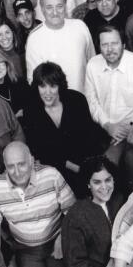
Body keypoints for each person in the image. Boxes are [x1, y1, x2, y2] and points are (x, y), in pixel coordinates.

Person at [21, 63, 107, 194]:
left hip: (84, 161)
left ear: (60, 86)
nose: (47, 92)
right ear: (36, 87)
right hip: (55, 166)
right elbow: (40, 151)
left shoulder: (77, 100)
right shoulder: (31, 109)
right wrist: (74, 168)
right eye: (42, 86)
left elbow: (89, 137)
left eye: (53, 86)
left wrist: (89, 168)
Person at [85, 26, 133, 166]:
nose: (110, 49)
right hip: (103, 127)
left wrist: (127, 127)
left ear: (124, 44)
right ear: (99, 47)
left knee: (110, 163)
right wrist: (108, 125)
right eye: (105, 45)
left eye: (114, 43)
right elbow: (91, 100)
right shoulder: (92, 65)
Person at [25, 0, 95, 91]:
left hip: (84, 99)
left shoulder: (80, 27)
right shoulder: (34, 38)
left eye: (59, 6)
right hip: (54, 103)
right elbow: (34, 80)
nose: (55, 12)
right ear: (42, 9)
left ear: (65, 6)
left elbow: (92, 63)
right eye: (49, 7)